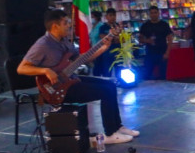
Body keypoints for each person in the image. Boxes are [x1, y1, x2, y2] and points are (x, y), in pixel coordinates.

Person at [17, 9, 138, 145]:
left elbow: (82, 59)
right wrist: (45, 70)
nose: (69, 25)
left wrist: (103, 47)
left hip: (70, 79)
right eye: (66, 23)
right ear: (55, 26)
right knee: (105, 92)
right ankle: (110, 133)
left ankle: (117, 126)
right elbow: (22, 68)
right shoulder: (43, 44)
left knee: (110, 84)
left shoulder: (65, 41)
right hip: (56, 89)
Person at [139, 5, 173, 80]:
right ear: (149, 14)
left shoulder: (164, 25)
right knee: (147, 75)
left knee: (163, 75)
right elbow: (140, 39)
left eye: (155, 13)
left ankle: (163, 90)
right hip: (150, 53)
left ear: (158, 13)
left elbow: (170, 39)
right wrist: (146, 40)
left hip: (162, 53)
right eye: (151, 13)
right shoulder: (145, 25)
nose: (153, 14)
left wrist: (167, 52)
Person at [94, 8, 120, 77]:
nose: (112, 17)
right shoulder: (103, 27)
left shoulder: (118, 26)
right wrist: (114, 38)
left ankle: (120, 83)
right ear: (106, 17)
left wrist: (115, 38)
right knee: (107, 72)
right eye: (110, 15)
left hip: (118, 52)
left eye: (114, 15)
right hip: (107, 53)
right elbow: (103, 37)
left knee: (120, 71)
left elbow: (122, 38)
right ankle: (107, 85)